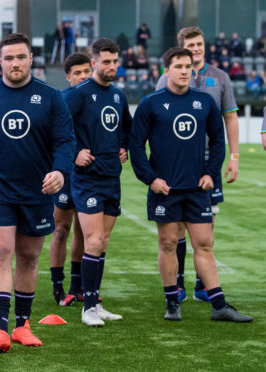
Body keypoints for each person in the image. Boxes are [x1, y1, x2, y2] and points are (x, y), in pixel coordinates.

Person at [0, 33, 75, 352]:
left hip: (37, 191)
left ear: (30, 59)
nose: (15, 63)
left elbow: (65, 141)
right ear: (0, 62)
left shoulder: (51, 98)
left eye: (20, 57)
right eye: (8, 58)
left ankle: (22, 324)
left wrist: (61, 172)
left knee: (28, 256)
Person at [130, 46, 252, 323]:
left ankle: (219, 305)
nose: (185, 71)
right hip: (166, 189)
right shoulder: (151, 103)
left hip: (197, 189)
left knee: (205, 244)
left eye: (188, 67)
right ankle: (172, 301)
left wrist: (212, 173)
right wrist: (150, 180)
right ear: (166, 71)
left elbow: (217, 142)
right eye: (179, 66)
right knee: (169, 243)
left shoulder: (205, 102)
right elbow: (136, 145)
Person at [156, 26, 240, 303]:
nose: (197, 48)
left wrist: (234, 156)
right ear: (181, 48)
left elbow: (230, 118)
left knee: (206, 226)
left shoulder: (220, 77)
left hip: (209, 162)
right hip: (178, 162)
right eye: (191, 44)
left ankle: (203, 286)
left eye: (200, 44)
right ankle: (177, 284)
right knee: (176, 227)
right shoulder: (166, 78)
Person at [62, 38, 131, 327]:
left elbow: (127, 127)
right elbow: (57, 126)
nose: (112, 66)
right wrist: (74, 153)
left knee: (101, 243)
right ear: (93, 63)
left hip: (111, 178)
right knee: (92, 241)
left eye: (115, 61)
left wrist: (124, 146)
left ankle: (95, 301)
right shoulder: (78, 94)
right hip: (87, 179)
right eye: (106, 62)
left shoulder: (118, 96)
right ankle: (87, 307)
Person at [49, 52, 91, 307]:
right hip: (67, 173)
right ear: (68, 77)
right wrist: (73, 156)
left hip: (91, 176)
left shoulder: (98, 98)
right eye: (77, 73)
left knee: (84, 233)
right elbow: (52, 136)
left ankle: (78, 286)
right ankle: (57, 286)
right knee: (61, 229)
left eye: (87, 71)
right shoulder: (63, 101)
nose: (83, 76)